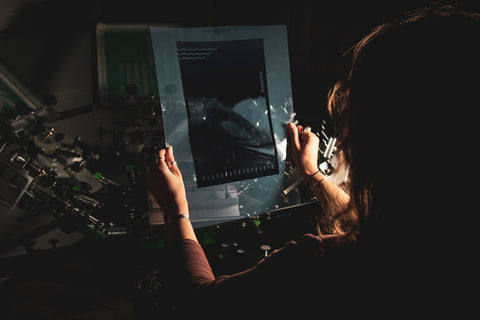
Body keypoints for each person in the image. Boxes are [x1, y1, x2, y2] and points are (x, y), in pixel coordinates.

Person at [148, 4, 478, 318]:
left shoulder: (319, 266)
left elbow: (198, 303)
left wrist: (175, 208)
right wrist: (311, 173)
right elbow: (369, 227)